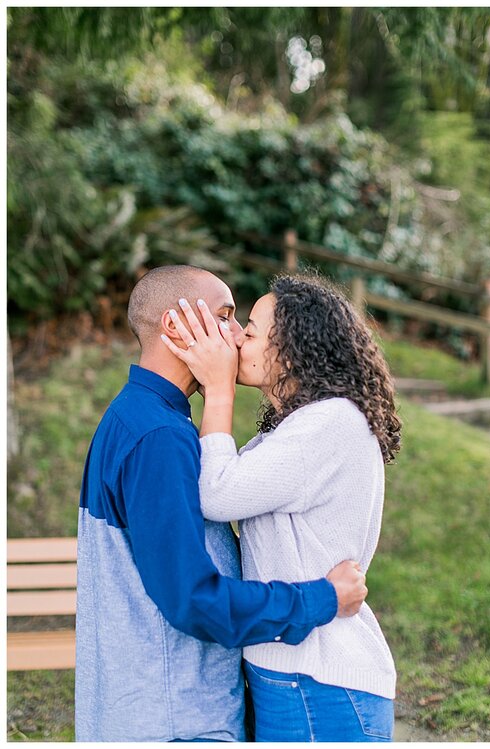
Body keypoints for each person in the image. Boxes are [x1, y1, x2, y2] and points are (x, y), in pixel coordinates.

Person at [75, 265, 368, 742]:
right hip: (177, 721)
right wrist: (322, 598)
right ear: (174, 326)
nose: (236, 336)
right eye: (226, 316)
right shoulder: (159, 437)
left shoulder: (136, 417)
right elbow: (194, 600)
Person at [163, 272, 401, 742]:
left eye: (250, 331)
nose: (236, 339)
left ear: (292, 348)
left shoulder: (330, 423)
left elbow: (216, 493)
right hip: (295, 672)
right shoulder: (296, 426)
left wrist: (219, 391)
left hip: (320, 677)